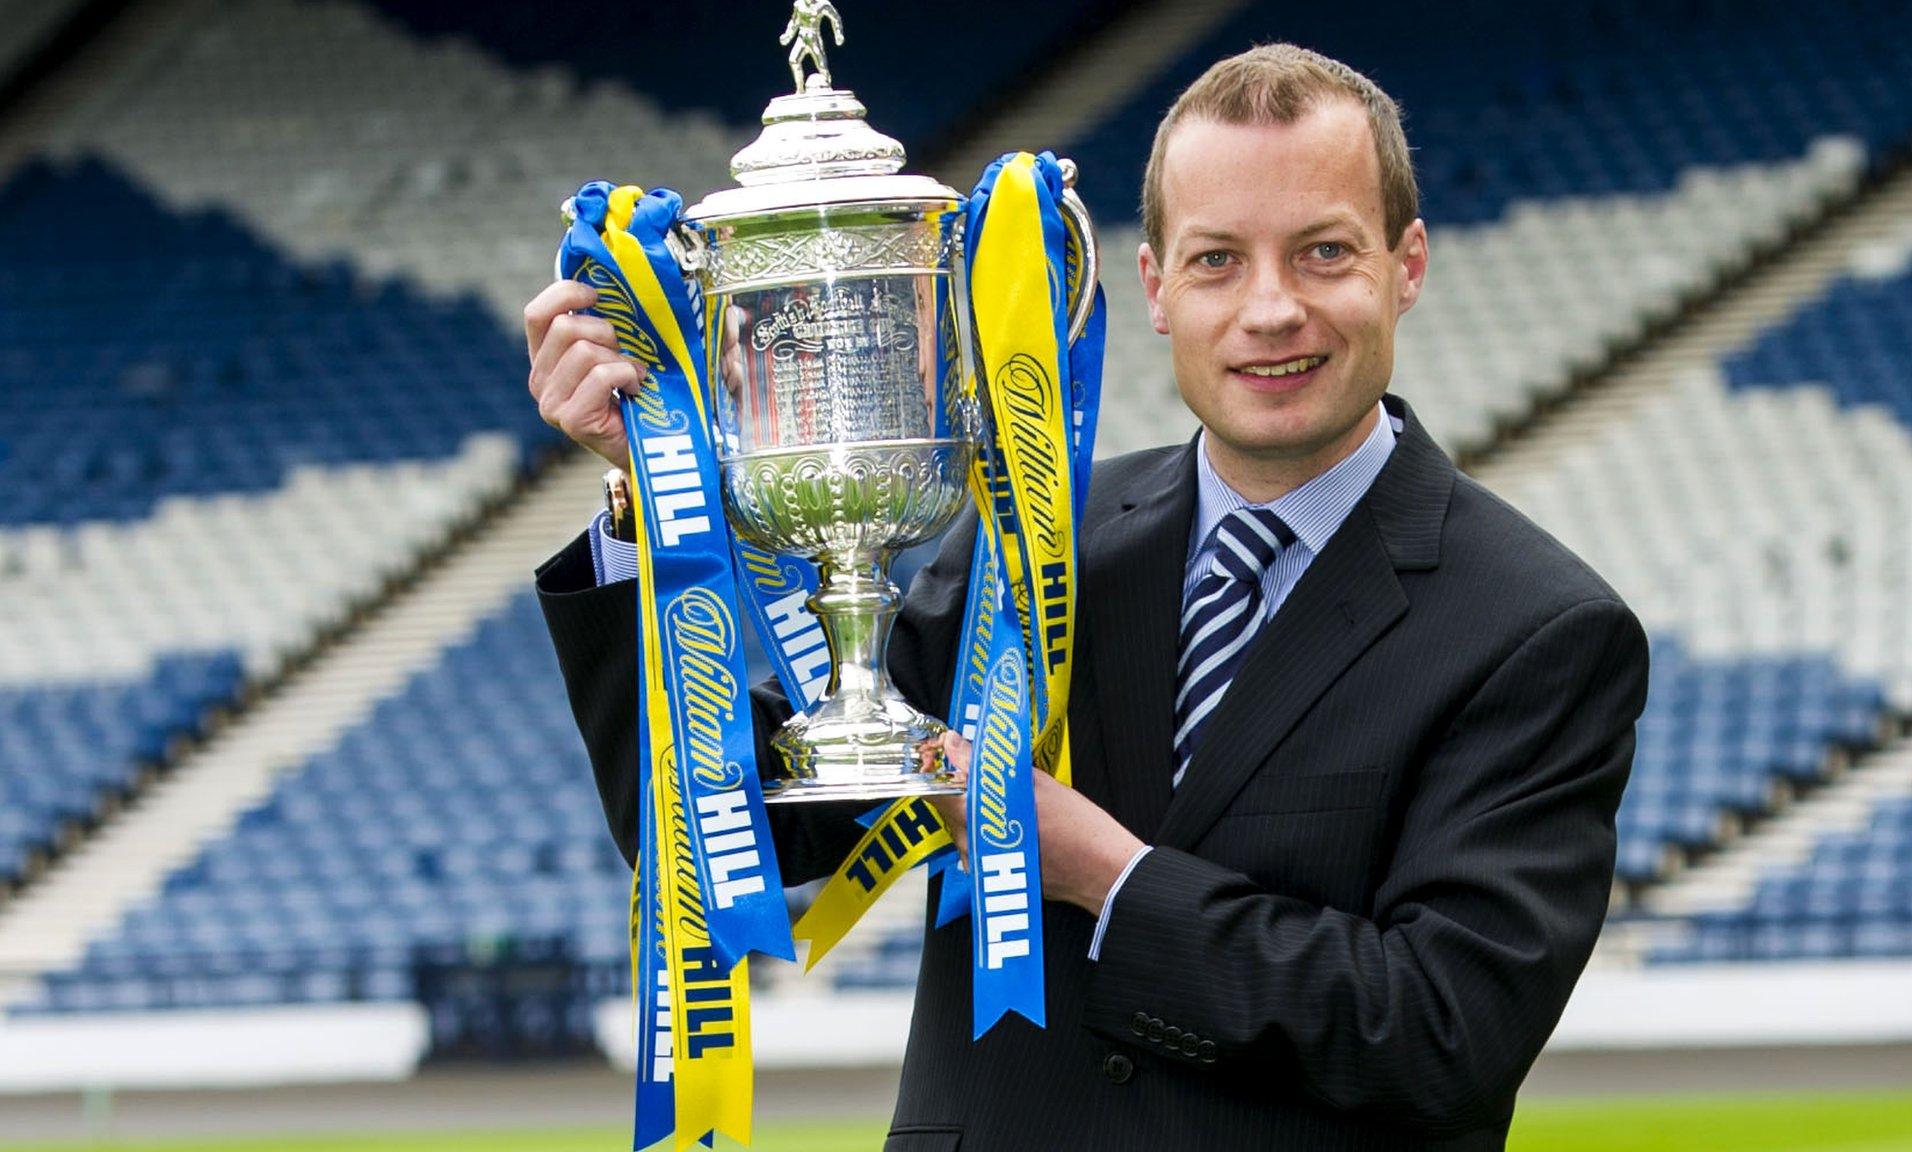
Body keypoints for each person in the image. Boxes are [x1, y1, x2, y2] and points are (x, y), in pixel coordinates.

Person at [526, 43, 1649, 1151]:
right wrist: (644, 496)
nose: (1269, 309)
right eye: (1216, 261)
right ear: (1154, 286)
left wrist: (1105, 876)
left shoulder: (1538, 632)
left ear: (1404, 265)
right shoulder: (1027, 546)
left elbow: (1440, 1036)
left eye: (1321, 253)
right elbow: (716, 826)